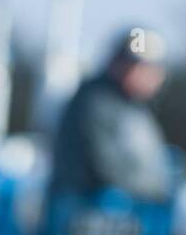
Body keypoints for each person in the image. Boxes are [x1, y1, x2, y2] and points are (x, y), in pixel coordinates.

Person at [49, 26, 172, 204]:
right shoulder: (95, 102)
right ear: (117, 62)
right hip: (89, 214)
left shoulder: (134, 106)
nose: (152, 76)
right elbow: (106, 168)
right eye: (138, 66)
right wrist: (158, 191)